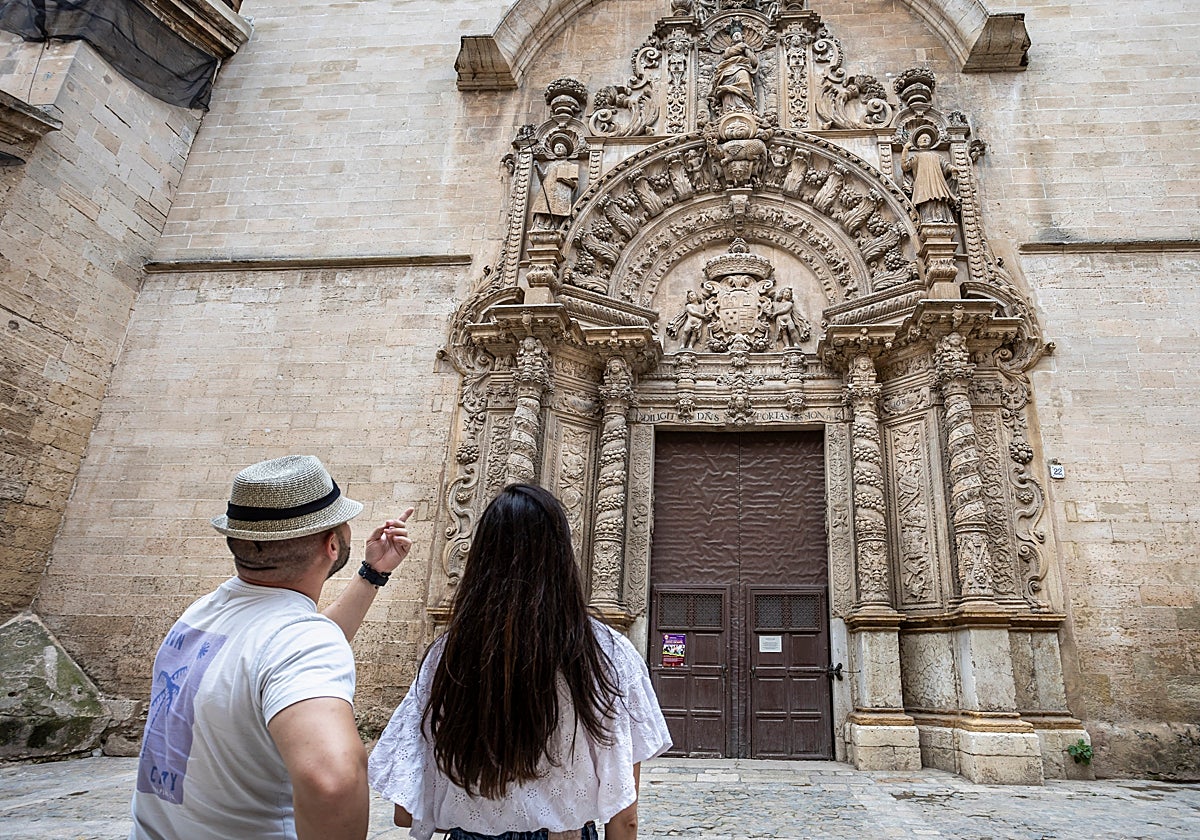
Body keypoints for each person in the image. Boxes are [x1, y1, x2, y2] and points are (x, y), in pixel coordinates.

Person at [129, 454, 414, 840]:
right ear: (332, 543)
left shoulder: (203, 613)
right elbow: (333, 780)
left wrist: (373, 574)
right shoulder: (298, 640)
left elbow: (283, 651)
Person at [368, 484, 671, 840]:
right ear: (562, 556)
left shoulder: (449, 655)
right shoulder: (607, 653)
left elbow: (406, 811)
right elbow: (625, 816)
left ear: (481, 557)